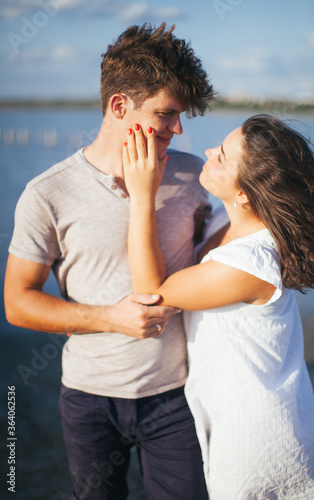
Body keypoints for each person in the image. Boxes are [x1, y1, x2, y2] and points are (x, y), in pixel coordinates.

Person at [4, 23, 215, 499]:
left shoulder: (194, 175)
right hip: (88, 397)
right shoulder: (47, 194)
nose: (178, 129)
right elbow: (17, 303)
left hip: (176, 394)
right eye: (166, 113)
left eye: (180, 115)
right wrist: (111, 319)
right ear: (120, 106)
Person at [123, 114, 314, 499]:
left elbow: (151, 290)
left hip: (258, 439)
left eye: (220, 156)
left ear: (244, 194)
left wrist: (142, 195)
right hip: (235, 414)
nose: (207, 152)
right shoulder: (227, 217)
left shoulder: (252, 263)